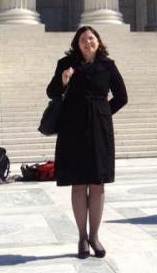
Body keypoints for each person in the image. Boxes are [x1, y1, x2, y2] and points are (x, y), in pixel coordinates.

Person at [46, 26, 128, 259]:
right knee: (79, 183)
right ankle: (82, 236)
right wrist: (62, 81)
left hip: (99, 130)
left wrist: (103, 112)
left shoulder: (108, 66)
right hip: (73, 129)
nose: (87, 42)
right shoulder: (66, 64)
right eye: (83, 39)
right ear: (77, 43)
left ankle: (95, 236)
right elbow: (51, 92)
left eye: (91, 38)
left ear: (98, 42)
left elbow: (122, 97)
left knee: (97, 183)